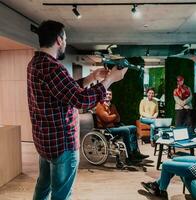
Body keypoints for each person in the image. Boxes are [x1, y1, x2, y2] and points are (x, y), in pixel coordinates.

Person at [27, 20, 127, 200]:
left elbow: (65, 91)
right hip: (62, 143)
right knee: (62, 194)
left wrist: (92, 77)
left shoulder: (35, 63)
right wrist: (110, 80)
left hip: (45, 141)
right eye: (65, 39)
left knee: (43, 186)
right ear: (59, 40)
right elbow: (80, 100)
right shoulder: (54, 68)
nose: (65, 42)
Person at [96, 89, 149, 164]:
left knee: (133, 127)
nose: (108, 96)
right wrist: (114, 116)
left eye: (110, 94)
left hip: (113, 126)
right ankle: (129, 156)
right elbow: (106, 119)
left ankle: (135, 152)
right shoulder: (100, 105)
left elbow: (118, 118)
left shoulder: (112, 105)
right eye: (106, 94)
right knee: (126, 130)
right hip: (106, 128)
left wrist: (112, 117)